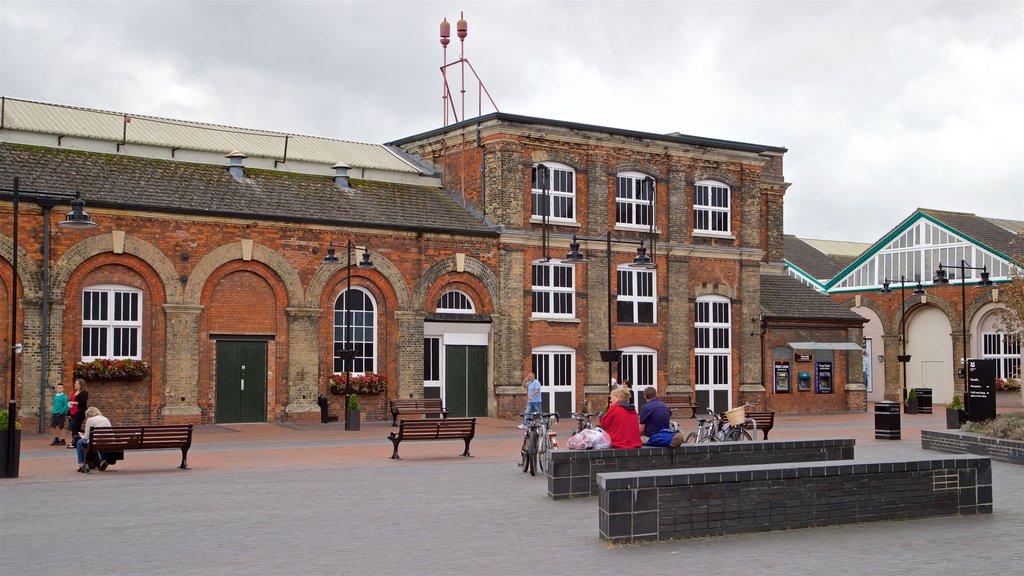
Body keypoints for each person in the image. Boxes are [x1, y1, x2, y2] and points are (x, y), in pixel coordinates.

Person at [75, 406, 110, 473]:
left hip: (96, 441)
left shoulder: (90, 420)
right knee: (102, 441)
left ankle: (81, 463)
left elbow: (87, 437)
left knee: (79, 442)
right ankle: (103, 460)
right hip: (108, 440)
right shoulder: (105, 418)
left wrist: (81, 436)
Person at [67, 379, 89, 449]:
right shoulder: (76, 392)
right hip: (73, 412)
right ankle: (84, 437)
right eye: (75, 383)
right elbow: (72, 400)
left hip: (80, 412)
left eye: (76, 384)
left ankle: (75, 442)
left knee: (74, 427)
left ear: (81, 385)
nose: (75, 385)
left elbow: (82, 402)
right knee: (77, 428)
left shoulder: (84, 393)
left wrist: (73, 403)